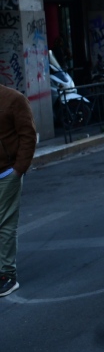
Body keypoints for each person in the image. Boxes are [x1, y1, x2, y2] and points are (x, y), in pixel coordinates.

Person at [0, 84, 35, 297]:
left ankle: (6, 274)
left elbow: (28, 135)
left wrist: (18, 170)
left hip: (6, 174)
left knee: (4, 223)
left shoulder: (13, 99)